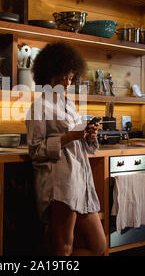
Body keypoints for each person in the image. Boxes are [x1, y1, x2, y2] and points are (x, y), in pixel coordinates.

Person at [25, 42, 106, 256]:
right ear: (49, 74)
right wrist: (69, 137)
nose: (67, 83)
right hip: (60, 182)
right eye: (63, 77)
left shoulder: (69, 105)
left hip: (81, 180)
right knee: (63, 249)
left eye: (70, 78)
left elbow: (81, 145)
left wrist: (89, 135)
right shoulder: (38, 107)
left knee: (99, 247)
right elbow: (35, 150)